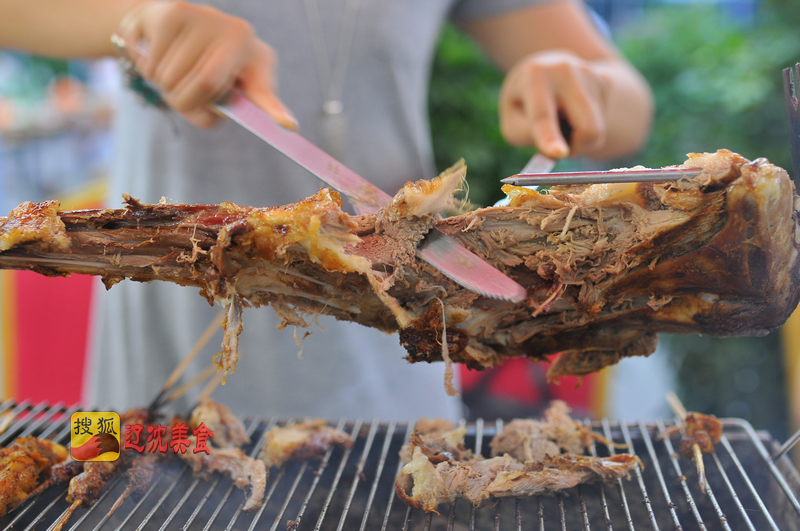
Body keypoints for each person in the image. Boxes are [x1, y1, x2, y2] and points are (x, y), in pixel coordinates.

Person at [1, 0, 653, 419]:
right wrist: (135, 19)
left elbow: (627, 101)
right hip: (163, 367)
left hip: (396, 365)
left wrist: (581, 82)